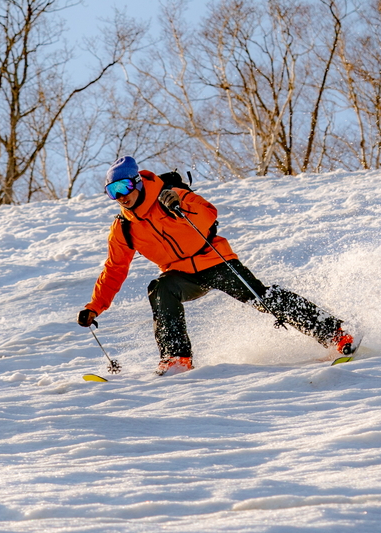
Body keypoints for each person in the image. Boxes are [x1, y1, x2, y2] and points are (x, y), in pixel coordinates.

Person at [78, 156, 355, 375]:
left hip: (215, 260)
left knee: (261, 297)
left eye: (124, 186)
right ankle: (176, 358)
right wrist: (94, 306)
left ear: (137, 182)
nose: (121, 195)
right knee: (160, 289)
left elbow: (209, 214)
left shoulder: (170, 195)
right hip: (181, 274)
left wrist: (180, 209)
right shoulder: (124, 227)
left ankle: (334, 334)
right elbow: (115, 269)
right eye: (112, 191)